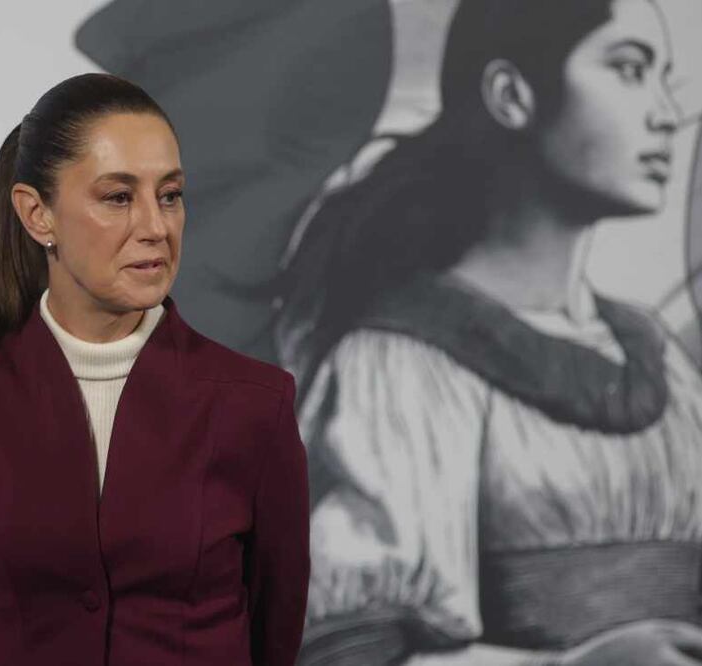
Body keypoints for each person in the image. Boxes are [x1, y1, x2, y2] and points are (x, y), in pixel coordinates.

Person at [272, 1, 702, 665]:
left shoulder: (660, 360)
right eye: (627, 70)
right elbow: (342, 649)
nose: (665, 115)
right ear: (511, 95)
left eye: (663, 78)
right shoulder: (399, 367)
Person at [0, 73, 309, 666]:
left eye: (169, 195)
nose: (156, 226)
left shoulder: (255, 406)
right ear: (37, 215)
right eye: (119, 197)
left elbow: (275, 639)